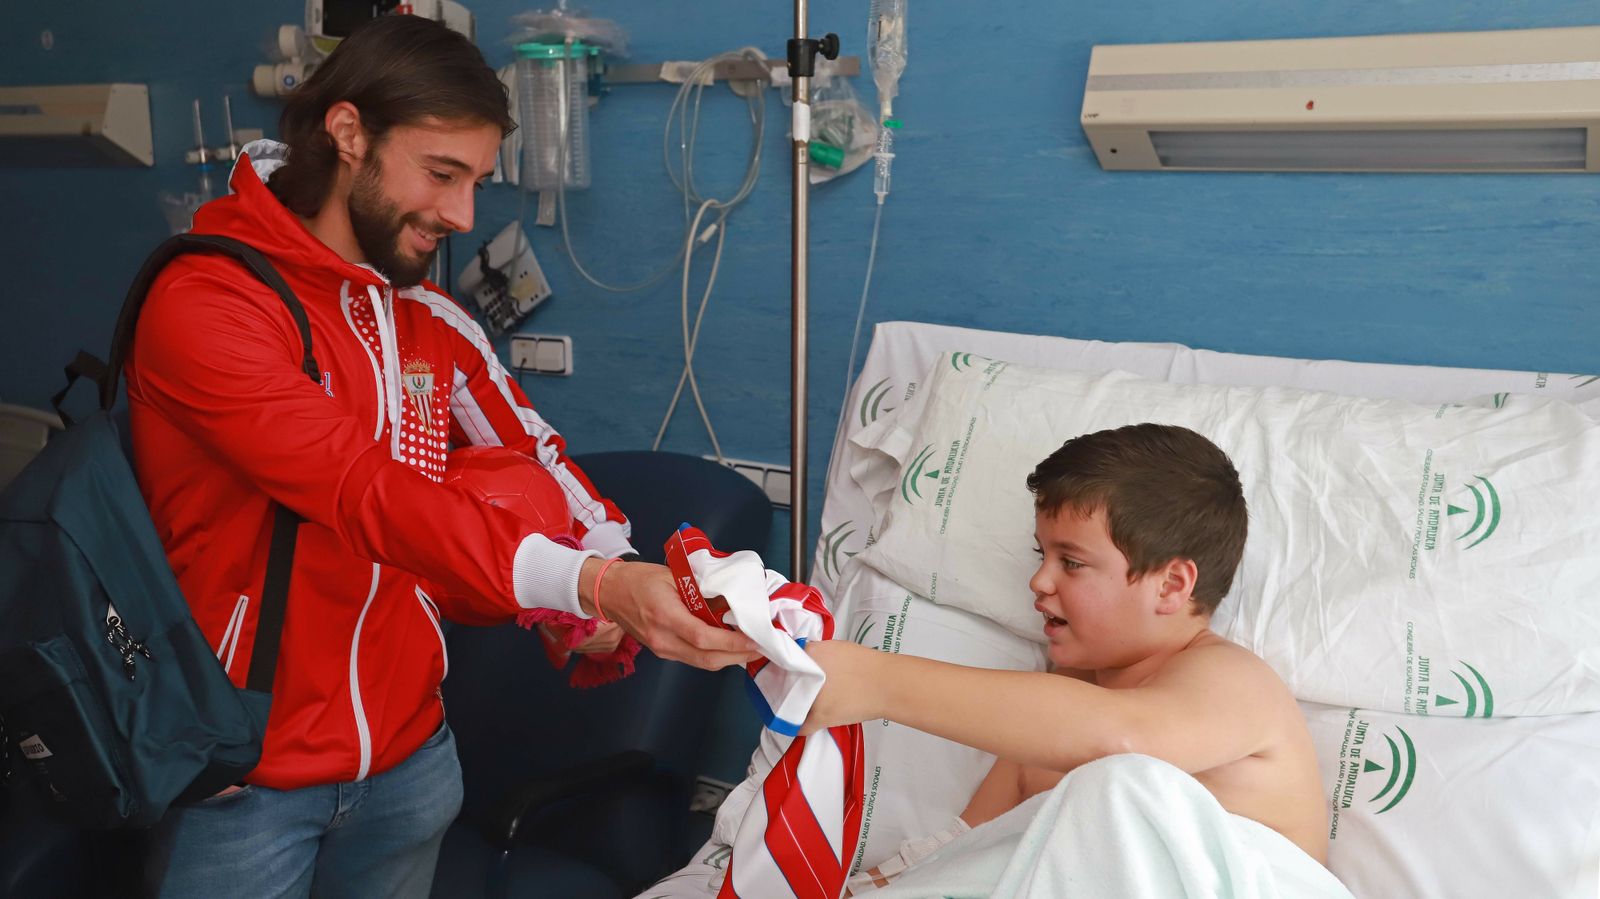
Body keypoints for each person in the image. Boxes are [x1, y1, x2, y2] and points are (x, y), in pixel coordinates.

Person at [125, 15, 756, 898]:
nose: (461, 215)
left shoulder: (430, 322)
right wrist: (596, 585)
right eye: (441, 173)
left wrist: (613, 565)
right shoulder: (210, 302)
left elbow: (536, 454)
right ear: (349, 133)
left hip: (409, 766)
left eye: (477, 182)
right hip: (244, 778)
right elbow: (363, 491)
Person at [803, 423, 1334, 889]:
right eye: (1042, 554)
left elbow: (1124, 743)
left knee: (1115, 780)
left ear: (1171, 585)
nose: (1039, 580)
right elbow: (958, 851)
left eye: (1072, 562)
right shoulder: (1059, 712)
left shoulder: (1234, 680)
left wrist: (877, 682)